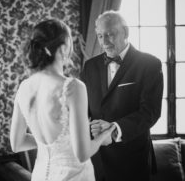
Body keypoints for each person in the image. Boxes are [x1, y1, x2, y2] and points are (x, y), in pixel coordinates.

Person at [10, 19, 115, 181]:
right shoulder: (73, 87)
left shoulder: (24, 87)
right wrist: (105, 135)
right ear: (64, 48)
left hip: (40, 176)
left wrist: (53, 144)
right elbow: (82, 154)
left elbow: (17, 144)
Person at [80, 10, 164, 181]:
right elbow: (83, 110)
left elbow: (150, 112)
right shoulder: (90, 67)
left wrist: (113, 130)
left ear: (126, 32)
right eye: (100, 36)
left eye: (110, 34)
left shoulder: (150, 64)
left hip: (132, 161)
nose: (105, 42)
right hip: (96, 161)